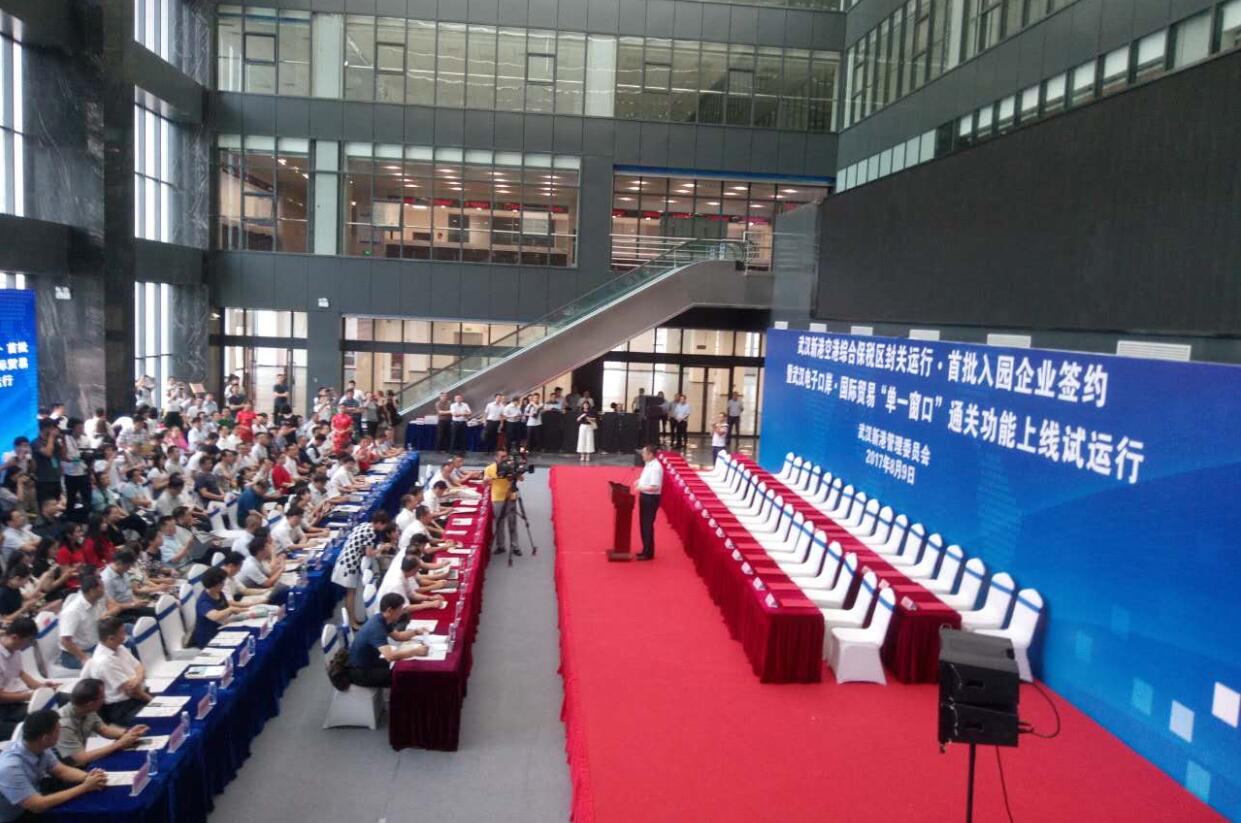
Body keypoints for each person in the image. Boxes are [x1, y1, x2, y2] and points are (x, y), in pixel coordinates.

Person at [0, 709, 109, 818]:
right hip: (16, 815)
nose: (60, 734)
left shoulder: (38, 745)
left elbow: (61, 771)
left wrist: (88, 777)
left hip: (35, 795)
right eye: (57, 731)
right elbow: (37, 806)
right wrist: (85, 787)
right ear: (45, 738)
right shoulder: (10, 768)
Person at [56, 678, 148, 766]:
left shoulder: (87, 709)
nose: (105, 699)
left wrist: (129, 732)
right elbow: (80, 759)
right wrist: (119, 744)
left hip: (81, 762)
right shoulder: (63, 725)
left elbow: (104, 730)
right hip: (69, 768)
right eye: (103, 697)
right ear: (90, 703)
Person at [345, 593, 429, 687]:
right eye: (400, 609)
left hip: (370, 661)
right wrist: (415, 652)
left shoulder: (382, 618)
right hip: (361, 672)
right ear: (390, 610)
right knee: (405, 675)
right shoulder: (376, 629)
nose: (402, 612)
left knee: (404, 664)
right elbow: (390, 656)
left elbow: (399, 636)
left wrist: (416, 632)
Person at [81, 617, 152, 724]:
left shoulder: (119, 647)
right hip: (124, 708)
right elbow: (132, 691)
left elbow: (139, 667)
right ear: (111, 638)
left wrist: (137, 679)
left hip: (140, 695)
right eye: (122, 632)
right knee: (161, 719)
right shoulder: (104, 662)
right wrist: (153, 702)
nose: (125, 635)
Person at [331, 511, 392, 628]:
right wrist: (382, 548)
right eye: (384, 525)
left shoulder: (364, 525)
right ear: (379, 523)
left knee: (350, 593)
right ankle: (351, 622)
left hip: (344, 559)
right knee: (351, 593)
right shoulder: (371, 532)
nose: (384, 528)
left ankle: (352, 619)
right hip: (350, 564)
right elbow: (369, 553)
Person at [0, 619, 56, 741]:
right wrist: (29, 696)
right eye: (28, 640)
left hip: (11, 703)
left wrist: (41, 687)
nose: (30, 645)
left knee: (49, 711)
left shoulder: (14, 650)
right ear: (15, 637)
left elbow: (20, 672)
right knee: (32, 731)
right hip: (4, 708)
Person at [191, 566, 250, 648]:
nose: (224, 584)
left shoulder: (219, 593)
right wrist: (230, 609)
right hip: (209, 638)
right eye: (222, 583)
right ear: (214, 585)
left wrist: (242, 610)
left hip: (223, 627)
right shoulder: (203, 602)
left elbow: (226, 607)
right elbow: (216, 616)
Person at [58, 576, 107, 671]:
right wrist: (85, 658)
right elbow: (65, 641)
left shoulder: (95, 603)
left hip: (93, 647)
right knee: (104, 666)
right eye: (101, 587)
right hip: (74, 655)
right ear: (92, 591)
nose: (104, 590)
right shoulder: (73, 611)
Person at [482, 448, 521, 557]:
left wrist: (516, 473)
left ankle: (515, 546)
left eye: (505, 456)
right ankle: (501, 546)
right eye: (502, 456)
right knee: (499, 523)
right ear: (496, 457)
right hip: (497, 498)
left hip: (511, 496)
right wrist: (485, 481)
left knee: (512, 522)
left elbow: (521, 478)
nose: (504, 458)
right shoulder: (489, 469)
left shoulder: (511, 466)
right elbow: (484, 485)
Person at [632, 444, 663, 561]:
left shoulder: (655, 468)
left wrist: (641, 487)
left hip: (650, 498)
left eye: (644, 453)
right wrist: (639, 481)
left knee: (647, 525)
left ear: (650, 454)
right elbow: (646, 478)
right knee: (643, 524)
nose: (642, 455)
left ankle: (648, 552)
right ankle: (645, 549)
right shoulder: (649, 464)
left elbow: (655, 487)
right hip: (645, 497)